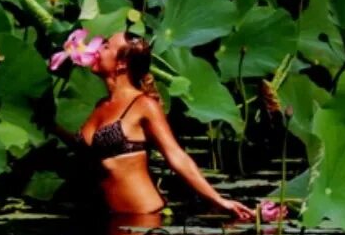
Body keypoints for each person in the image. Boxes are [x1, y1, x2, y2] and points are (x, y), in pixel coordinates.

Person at [74, 31, 254, 221]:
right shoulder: (101, 106)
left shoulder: (144, 105)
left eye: (106, 46)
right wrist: (51, 125)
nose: (95, 49)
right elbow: (88, 150)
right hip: (111, 219)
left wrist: (219, 201)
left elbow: (176, 156)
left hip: (144, 217)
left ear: (122, 64)